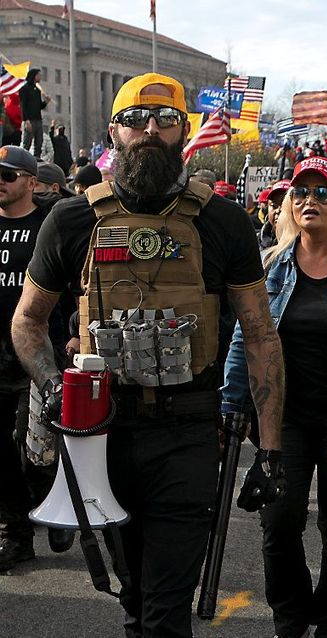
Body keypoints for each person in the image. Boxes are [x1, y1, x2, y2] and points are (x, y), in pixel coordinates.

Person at [11, 73, 286, 638]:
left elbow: (260, 334)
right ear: (114, 130)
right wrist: (55, 388)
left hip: (186, 432)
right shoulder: (72, 219)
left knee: (165, 610)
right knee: (134, 599)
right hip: (99, 433)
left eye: (164, 121)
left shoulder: (222, 221)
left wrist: (271, 449)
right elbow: (28, 322)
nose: (150, 131)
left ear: (184, 131)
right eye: (135, 120)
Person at [222, 157, 327, 638]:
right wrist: (231, 403)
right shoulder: (269, 266)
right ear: (288, 204)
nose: (311, 201)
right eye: (300, 193)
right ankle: (289, 615)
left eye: (323, 192)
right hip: (279, 417)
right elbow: (245, 339)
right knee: (279, 522)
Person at [0, 146, 73, 571]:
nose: (1, 181)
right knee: (1, 451)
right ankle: (16, 534)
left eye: (9, 175)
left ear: (30, 181)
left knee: (40, 447)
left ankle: (55, 500)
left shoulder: (51, 225)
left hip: (40, 354)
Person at [18, 69, 49, 159]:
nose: (40, 77)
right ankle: (23, 160)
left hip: (38, 119)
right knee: (27, 143)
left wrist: (46, 102)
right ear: (34, 76)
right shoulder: (24, 89)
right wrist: (26, 120)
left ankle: (36, 161)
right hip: (29, 120)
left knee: (39, 143)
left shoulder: (37, 90)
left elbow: (39, 106)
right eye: (39, 75)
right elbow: (23, 106)